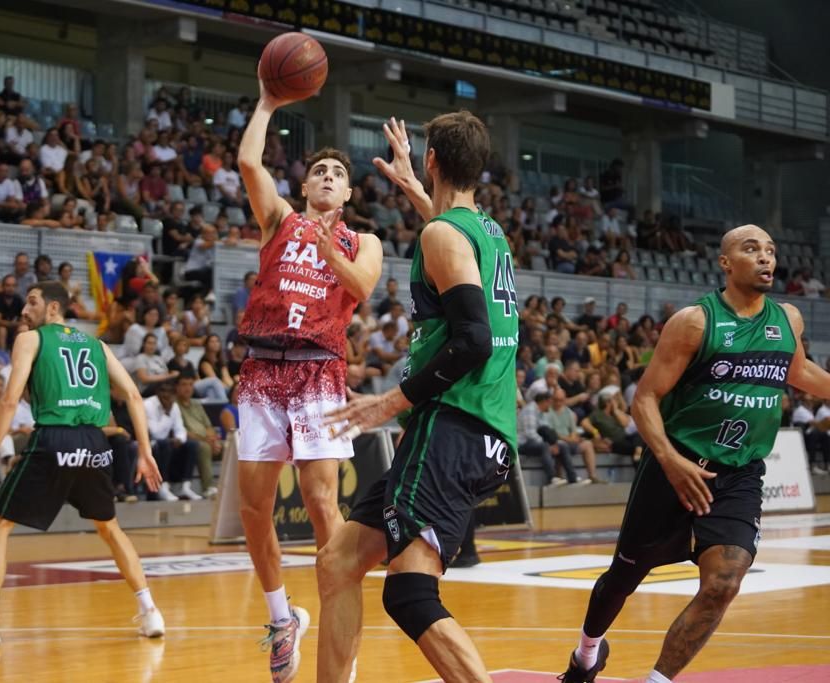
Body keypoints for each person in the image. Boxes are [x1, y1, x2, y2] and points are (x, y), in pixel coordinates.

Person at [558, 224, 830, 683]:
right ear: (725, 263)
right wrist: (669, 460)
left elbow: (800, 371)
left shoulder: (788, 320)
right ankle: (586, 655)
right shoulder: (695, 322)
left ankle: (657, 680)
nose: (766, 258)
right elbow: (644, 400)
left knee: (724, 582)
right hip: (675, 468)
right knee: (622, 579)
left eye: (770, 250)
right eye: (751, 249)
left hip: (739, 474)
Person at [312, 113, 518, 682]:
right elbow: (444, 232)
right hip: (478, 428)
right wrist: (412, 185)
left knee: (409, 596)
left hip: (454, 423)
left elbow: (473, 341)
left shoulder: (444, 235)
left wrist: (390, 402)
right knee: (337, 562)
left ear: (433, 158)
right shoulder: (486, 232)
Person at [235, 76, 383, 681]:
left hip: (319, 374)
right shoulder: (279, 220)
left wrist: (330, 253)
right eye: (318, 169)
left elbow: (363, 287)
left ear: (347, 192)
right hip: (261, 368)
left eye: (336, 173)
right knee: (253, 507)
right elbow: (248, 160)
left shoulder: (361, 239)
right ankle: (281, 619)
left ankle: (338, 648)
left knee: (324, 505)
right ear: (304, 184)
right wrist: (268, 103)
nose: (326, 175)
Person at [0, 281, 163, 648]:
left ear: (52, 309)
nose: (24, 310)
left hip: (54, 438)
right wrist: (145, 450)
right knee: (110, 529)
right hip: (95, 443)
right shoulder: (97, 345)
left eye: (32, 302)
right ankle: (151, 611)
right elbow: (133, 396)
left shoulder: (31, 339)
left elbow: (10, 401)